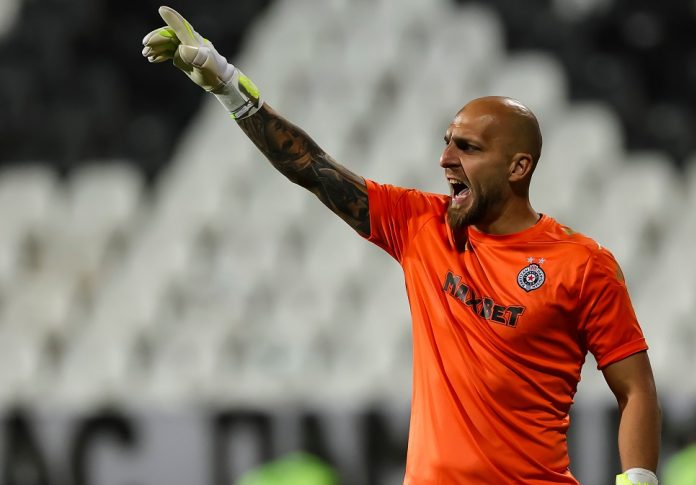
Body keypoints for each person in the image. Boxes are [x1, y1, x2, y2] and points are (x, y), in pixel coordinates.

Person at [142, 6, 662, 485]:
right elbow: (313, 169)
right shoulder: (421, 224)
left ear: (517, 167)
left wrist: (638, 481)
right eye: (447, 142)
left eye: (467, 147)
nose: (446, 159)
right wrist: (228, 86)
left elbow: (634, 386)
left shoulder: (581, 264)